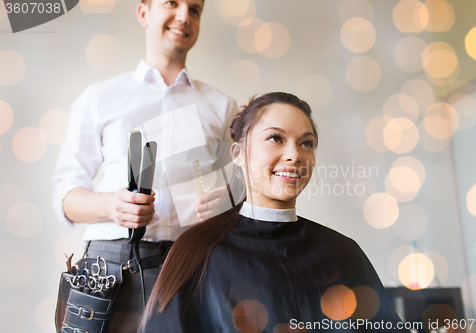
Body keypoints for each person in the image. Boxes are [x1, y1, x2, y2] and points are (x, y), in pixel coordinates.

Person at [140, 92, 409, 333]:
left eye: (307, 143)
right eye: (275, 138)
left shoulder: (344, 253)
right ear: (238, 154)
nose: (294, 154)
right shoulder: (198, 251)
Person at [52, 0, 238, 331]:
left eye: (195, 9)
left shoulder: (221, 107)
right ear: (143, 13)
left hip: (191, 267)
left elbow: (233, 192)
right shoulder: (99, 98)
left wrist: (228, 200)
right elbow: (64, 198)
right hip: (108, 270)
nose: (184, 16)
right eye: (172, 3)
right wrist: (111, 205)